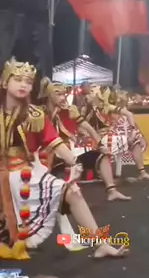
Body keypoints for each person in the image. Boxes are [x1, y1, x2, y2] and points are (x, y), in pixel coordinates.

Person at [0, 59, 127, 259]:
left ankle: (100, 243)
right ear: (5, 82)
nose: (23, 85)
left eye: (28, 81)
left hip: (23, 173)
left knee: (73, 193)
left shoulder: (35, 115)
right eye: (17, 80)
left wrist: (74, 163)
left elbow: (55, 142)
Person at [37, 78, 131, 201]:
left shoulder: (70, 110)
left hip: (69, 151)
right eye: (58, 94)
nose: (62, 98)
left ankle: (112, 190)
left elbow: (89, 128)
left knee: (101, 156)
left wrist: (101, 145)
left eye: (63, 94)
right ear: (50, 95)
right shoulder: (40, 112)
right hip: (50, 154)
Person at [85, 85, 149, 181]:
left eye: (92, 92)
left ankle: (142, 172)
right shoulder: (87, 109)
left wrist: (132, 131)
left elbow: (129, 114)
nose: (89, 94)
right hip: (97, 138)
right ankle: (106, 175)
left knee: (134, 141)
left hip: (110, 136)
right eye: (90, 92)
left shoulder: (107, 107)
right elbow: (82, 125)